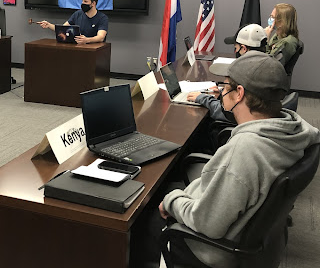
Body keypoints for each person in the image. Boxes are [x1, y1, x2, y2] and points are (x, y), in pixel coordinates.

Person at [134, 52, 320, 268]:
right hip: (249, 235)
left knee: (138, 223)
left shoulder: (245, 151)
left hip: (211, 247)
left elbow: (207, 223)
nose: (221, 91)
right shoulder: (294, 131)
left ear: (239, 93)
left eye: (225, 86)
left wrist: (171, 200)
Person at [187, 23, 268, 121]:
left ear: (244, 48)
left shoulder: (246, 75)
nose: (235, 52)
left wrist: (203, 98)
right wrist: (225, 92)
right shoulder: (265, 69)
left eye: (236, 48)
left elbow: (228, 112)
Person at [37, 0, 108, 44]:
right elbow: (62, 28)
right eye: (82, 1)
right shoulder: (78, 14)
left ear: (93, 3)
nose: (83, 4)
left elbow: (101, 37)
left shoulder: (102, 18)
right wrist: (49, 25)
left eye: (85, 2)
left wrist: (87, 40)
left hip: (93, 49)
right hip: (77, 47)